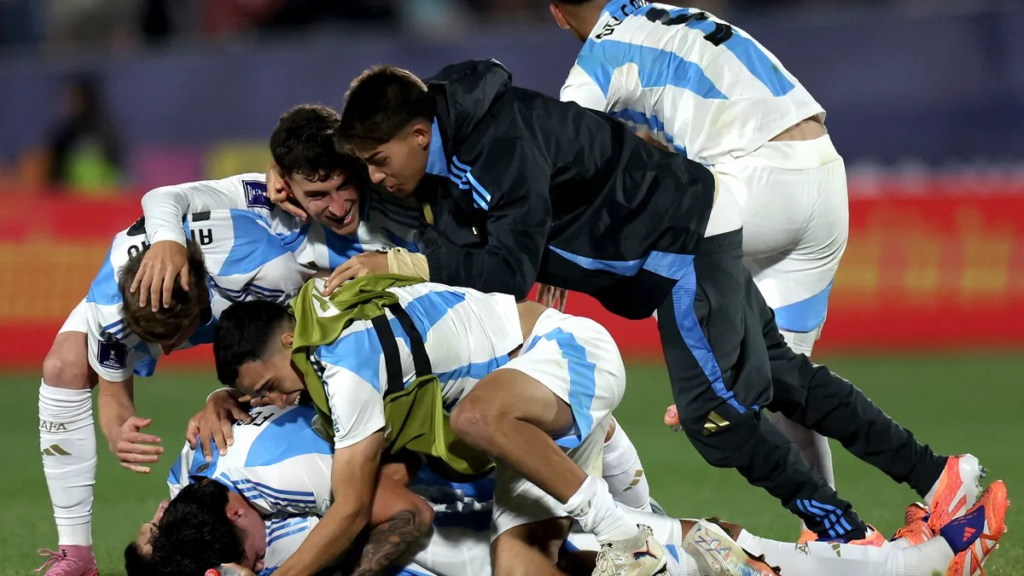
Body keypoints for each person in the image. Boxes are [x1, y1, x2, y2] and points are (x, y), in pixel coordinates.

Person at [331, 60, 984, 548]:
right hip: (686, 230)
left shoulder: (493, 144)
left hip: (678, 248)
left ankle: (844, 536)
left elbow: (505, 268)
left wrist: (403, 263)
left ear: (421, 133)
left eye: (381, 160)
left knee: (715, 419)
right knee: (783, 377)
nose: (379, 177)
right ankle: (940, 476)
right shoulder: (456, 148)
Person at [549, 1, 848, 533]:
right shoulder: (675, 15)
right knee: (791, 389)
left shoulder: (598, 58)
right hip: (825, 176)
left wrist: (547, 251)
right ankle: (840, 537)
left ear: (556, 13)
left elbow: (558, 152)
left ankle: (708, 382)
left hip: (757, 181)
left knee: (663, 237)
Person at [135, 404, 1008, 576]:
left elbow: (404, 502)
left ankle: (929, 555)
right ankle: (918, 555)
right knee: (697, 549)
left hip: (518, 521)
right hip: (515, 519)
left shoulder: (274, 513)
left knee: (691, 551)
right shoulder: (255, 521)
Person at [211, 278, 683, 576]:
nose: (277, 401)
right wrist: (216, 399)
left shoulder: (344, 369)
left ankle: (623, 530)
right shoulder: (320, 304)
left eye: (271, 385)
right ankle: (736, 551)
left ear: (291, 342)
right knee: (521, 569)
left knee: (474, 418)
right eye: (261, 396)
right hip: (525, 405)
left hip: (560, 354)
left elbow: (352, 508)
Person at [35, 206, 316, 576]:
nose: (165, 353)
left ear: (201, 304)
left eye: (172, 339)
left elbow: (285, 354)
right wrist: (118, 432)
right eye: (152, 340)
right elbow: (113, 400)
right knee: (62, 367)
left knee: (295, 375)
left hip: (262, 254)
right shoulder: (112, 310)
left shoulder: (262, 270)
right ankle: (77, 555)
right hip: (153, 291)